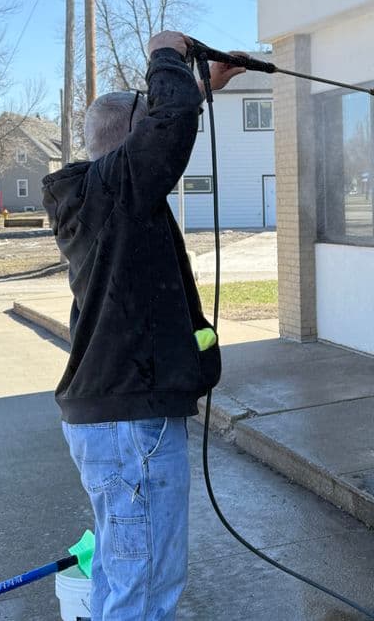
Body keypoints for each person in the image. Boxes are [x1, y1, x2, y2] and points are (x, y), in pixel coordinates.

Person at [42, 31, 245, 619]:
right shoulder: (115, 195)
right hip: (131, 426)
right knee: (145, 593)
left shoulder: (102, 200)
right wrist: (166, 53)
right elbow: (169, 124)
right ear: (130, 144)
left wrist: (202, 86)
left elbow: (166, 122)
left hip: (111, 421)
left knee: (120, 576)